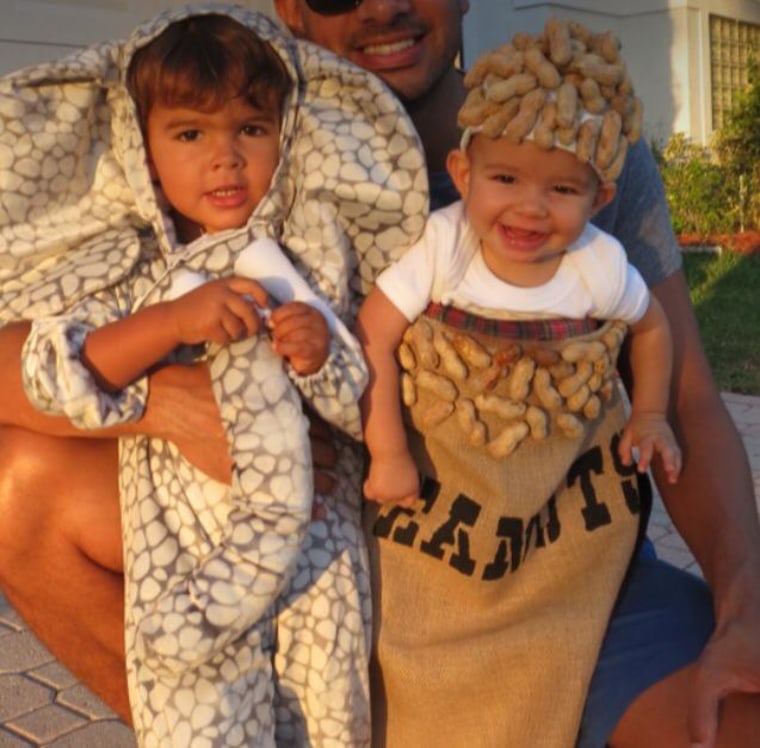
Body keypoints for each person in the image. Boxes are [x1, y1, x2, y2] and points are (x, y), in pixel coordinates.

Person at [0, 1, 758, 746]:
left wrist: (744, 608)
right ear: (291, 8)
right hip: (346, 589)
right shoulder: (231, 149)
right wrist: (169, 404)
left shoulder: (569, 142)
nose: (385, 6)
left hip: (577, 588)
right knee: (19, 485)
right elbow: (23, 359)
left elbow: (687, 396)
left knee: (734, 719)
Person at [0, 2, 427, 744]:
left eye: (251, 131)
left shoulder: (310, 255)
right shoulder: (129, 264)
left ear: (285, 137)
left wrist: (318, 353)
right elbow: (61, 369)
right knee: (197, 708)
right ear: (144, 152)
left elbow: (358, 398)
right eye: (190, 134)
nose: (225, 158)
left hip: (312, 544)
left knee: (326, 713)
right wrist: (168, 327)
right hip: (179, 549)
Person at [354, 23, 688, 745]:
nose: (531, 210)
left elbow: (653, 328)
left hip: (560, 511)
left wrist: (651, 414)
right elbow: (375, 334)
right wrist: (387, 451)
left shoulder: (598, 266)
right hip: (443, 498)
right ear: (464, 174)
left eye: (561, 189)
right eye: (505, 180)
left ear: (600, 197)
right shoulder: (444, 246)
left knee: (564, 628)